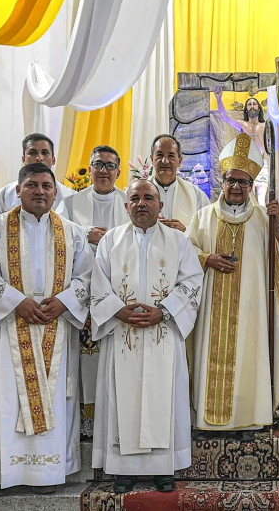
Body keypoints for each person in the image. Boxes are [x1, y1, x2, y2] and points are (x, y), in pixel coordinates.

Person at [0, 163, 93, 498]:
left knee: (54, 395)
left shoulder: (72, 231)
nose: (40, 191)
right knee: (1, 398)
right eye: (32, 185)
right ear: (19, 189)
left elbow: (87, 275)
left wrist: (66, 301)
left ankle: (48, 471)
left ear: (55, 191)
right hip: (9, 323)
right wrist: (15, 301)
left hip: (56, 324)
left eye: (46, 186)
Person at [90, 180, 204, 494]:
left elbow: (193, 282)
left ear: (159, 205)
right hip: (122, 334)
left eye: (148, 198)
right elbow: (97, 285)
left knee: (162, 397)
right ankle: (122, 470)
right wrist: (118, 310)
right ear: (126, 205)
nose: (142, 203)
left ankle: (163, 470)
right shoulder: (110, 241)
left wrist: (164, 310)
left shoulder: (179, 241)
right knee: (122, 398)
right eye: (135, 198)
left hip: (163, 335)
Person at [185, 133, 279, 439]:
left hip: (252, 311)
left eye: (242, 182)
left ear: (251, 186)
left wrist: (278, 227)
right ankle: (208, 422)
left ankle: (249, 419)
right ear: (222, 182)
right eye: (230, 180)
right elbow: (183, 255)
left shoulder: (263, 219)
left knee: (251, 355)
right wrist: (207, 258)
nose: (235, 187)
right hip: (210, 311)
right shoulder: (203, 218)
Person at [56, 144, 129, 439]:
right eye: (98, 164)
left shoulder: (129, 201)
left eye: (110, 166)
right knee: (82, 356)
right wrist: (86, 233)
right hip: (80, 289)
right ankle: (84, 422)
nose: (103, 170)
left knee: (110, 355)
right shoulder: (72, 203)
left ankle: (110, 417)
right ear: (89, 168)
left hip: (115, 291)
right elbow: (57, 228)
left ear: (118, 172)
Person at [0, 133, 74, 215]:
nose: (39, 158)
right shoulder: (5, 195)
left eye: (45, 153)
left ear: (53, 159)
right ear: (23, 159)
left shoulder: (69, 196)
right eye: (33, 153)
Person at [214, 88, 272, 203]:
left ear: (259, 108)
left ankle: (261, 220)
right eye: (249, 104)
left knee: (261, 199)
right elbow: (224, 116)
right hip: (247, 164)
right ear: (246, 109)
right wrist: (219, 99)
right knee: (248, 198)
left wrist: (277, 144)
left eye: (254, 104)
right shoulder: (242, 125)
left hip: (262, 164)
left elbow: (272, 142)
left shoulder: (265, 125)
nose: (252, 106)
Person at [148, 135, 211, 232]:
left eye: (171, 156)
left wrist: (186, 231)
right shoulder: (137, 193)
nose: (165, 161)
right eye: (159, 155)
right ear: (152, 159)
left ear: (179, 161)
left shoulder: (196, 195)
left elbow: (208, 231)